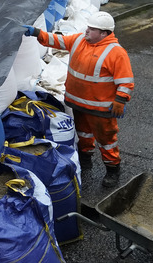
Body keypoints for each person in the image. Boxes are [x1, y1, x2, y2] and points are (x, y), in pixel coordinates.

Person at [22, 11, 134, 187]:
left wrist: (120, 100)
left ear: (104, 33)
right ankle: (85, 159)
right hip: (78, 103)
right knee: (83, 134)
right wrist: (36, 32)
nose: (87, 31)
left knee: (106, 140)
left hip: (101, 109)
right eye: (88, 27)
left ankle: (113, 169)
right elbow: (57, 41)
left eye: (92, 29)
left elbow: (125, 80)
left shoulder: (116, 53)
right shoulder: (79, 41)